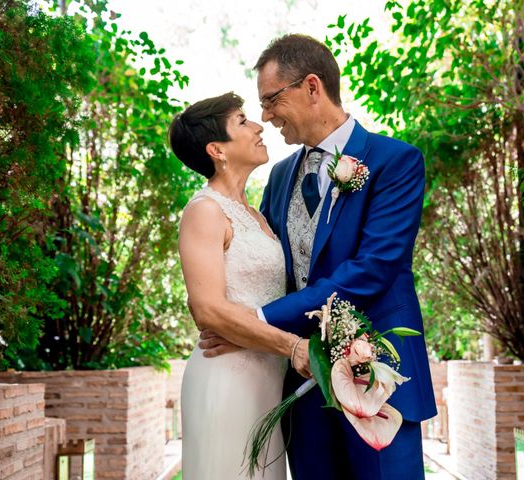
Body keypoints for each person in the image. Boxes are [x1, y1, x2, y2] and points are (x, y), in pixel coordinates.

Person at [196, 34, 437, 479]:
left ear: (311, 87)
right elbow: (272, 271)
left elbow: (373, 269)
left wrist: (258, 321)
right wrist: (239, 327)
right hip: (300, 388)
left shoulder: (395, 161)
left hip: (380, 381)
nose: (266, 117)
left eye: (270, 100)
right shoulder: (280, 177)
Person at [170, 92, 311, 480]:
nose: (258, 125)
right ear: (217, 149)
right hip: (226, 378)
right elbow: (208, 309)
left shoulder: (257, 215)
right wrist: (292, 346)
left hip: (268, 382)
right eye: (243, 121)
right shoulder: (204, 210)